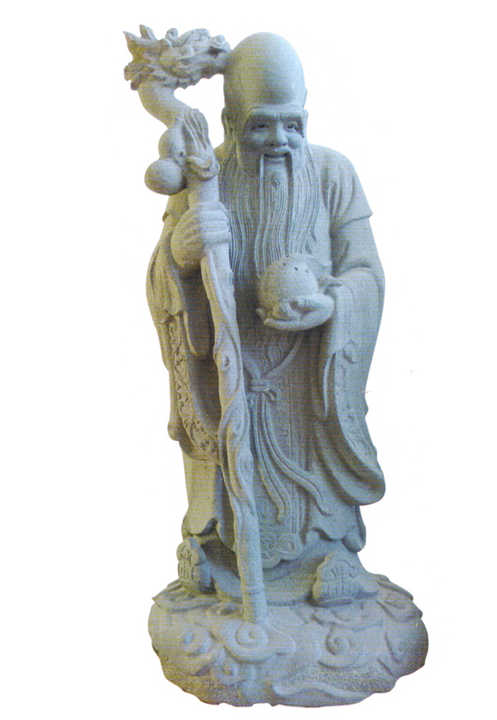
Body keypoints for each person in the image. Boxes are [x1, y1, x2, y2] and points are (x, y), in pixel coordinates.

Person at [147, 33, 386, 604]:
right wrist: (181, 253)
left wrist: (333, 306)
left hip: (310, 375)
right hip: (235, 366)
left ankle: (327, 556)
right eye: (260, 125)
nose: (279, 140)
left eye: (291, 124)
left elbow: (367, 272)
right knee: (231, 460)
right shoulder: (203, 178)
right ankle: (221, 558)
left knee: (312, 468)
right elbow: (159, 279)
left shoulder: (333, 174)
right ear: (230, 122)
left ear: (306, 116)